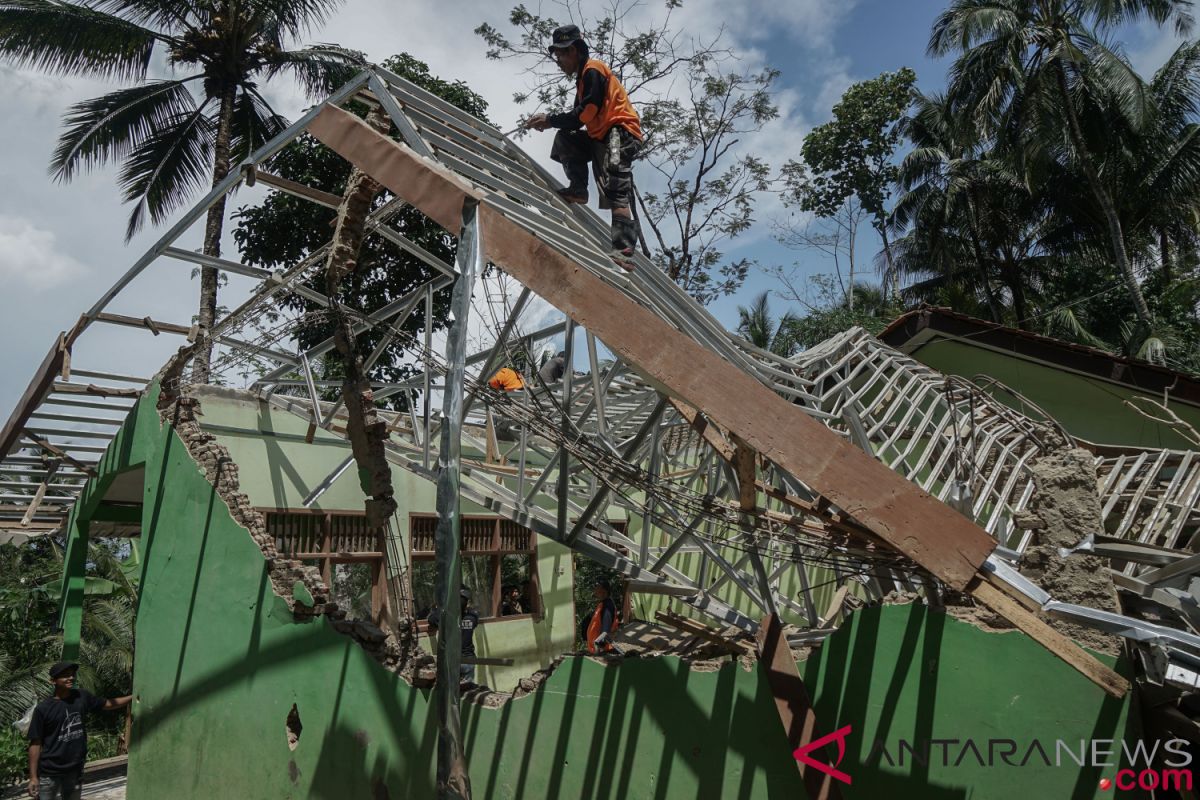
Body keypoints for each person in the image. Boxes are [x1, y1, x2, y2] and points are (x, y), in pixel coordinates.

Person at [524, 24, 643, 268]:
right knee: (565, 138)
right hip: (601, 136)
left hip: (618, 133)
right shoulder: (582, 79)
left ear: (575, 50)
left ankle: (624, 253)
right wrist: (552, 122)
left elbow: (587, 112)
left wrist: (550, 120)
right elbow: (580, 117)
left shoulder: (593, 70)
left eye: (561, 54)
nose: (559, 61)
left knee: (615, 191)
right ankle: (578, 189)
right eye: (556, 55)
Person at [27, 661, 131, 800]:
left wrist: (132, 697)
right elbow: (35, 743)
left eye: (72, 674)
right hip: (50, 772)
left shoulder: (81, 697)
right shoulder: (43, 709)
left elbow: (107, 704)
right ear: (53, 681)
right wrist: (33, 777)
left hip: (74, 770)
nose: (70, 678)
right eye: (65, 675)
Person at [427, 588, 481, 686]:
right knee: (468, 693)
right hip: (469, 660)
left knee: (452, 692)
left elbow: (431, 619)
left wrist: (440, 607)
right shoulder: (472, 617)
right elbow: (474, 616)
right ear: (467, 603)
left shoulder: (445, 617)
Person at [585, 580, 620, 655]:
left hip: (603, 650)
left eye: (597, 588)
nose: (595, 590)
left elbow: (606, 630)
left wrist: (599, 645)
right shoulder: (604, 604)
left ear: (604, 590)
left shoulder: (607, 605)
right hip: (600, 649)